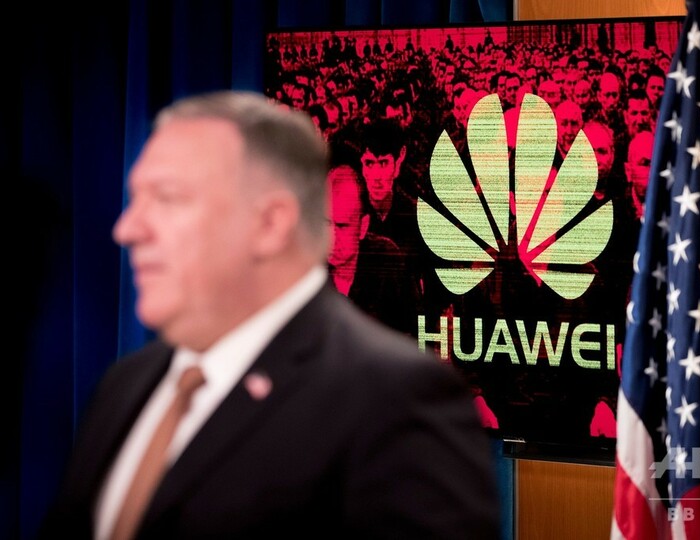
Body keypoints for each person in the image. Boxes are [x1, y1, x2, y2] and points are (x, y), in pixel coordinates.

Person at [39, 91, 500, 539]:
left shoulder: (400, 400)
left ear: (269, 221)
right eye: (135, 197)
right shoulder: (124, 388)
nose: (127, 228)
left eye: (168, 198)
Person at [326, 160, 423, 336]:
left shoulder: (388, 263)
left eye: (342, 226)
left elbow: (414, 332)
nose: (331, 236)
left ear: (363, 226)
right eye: (325, 223)